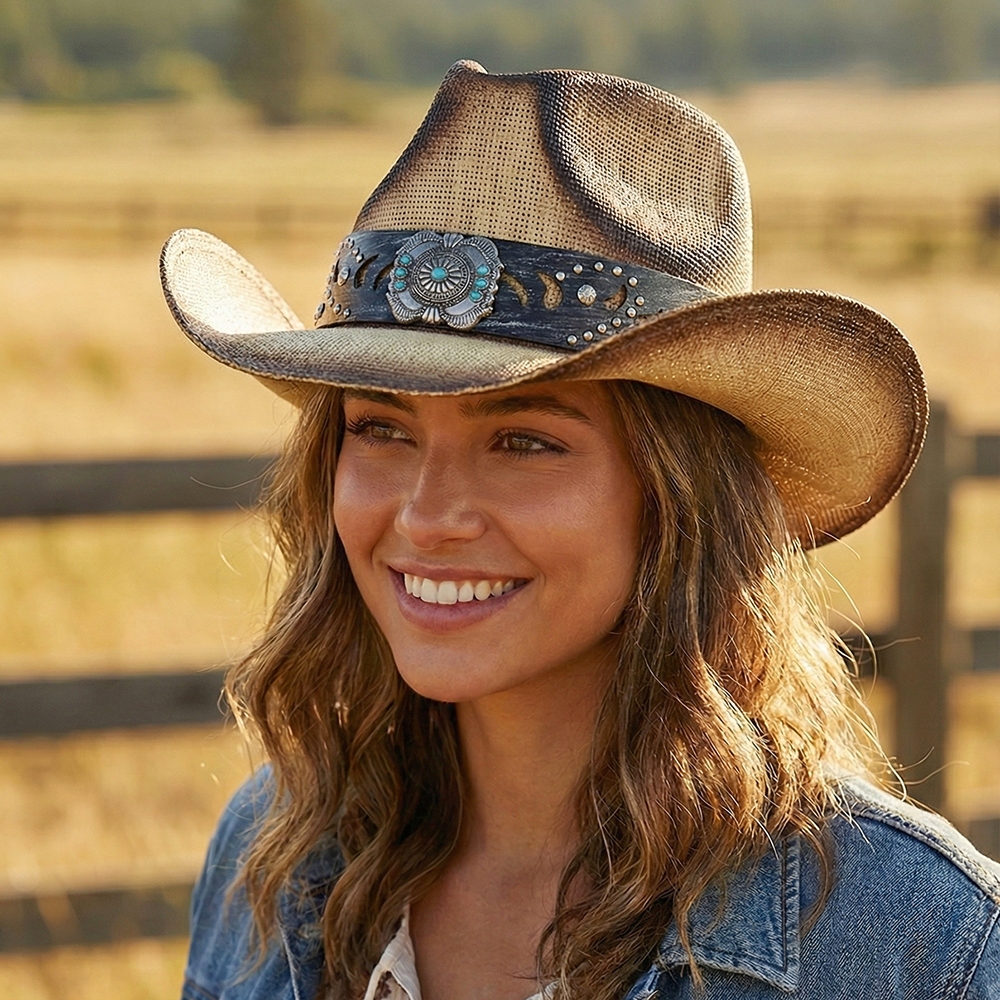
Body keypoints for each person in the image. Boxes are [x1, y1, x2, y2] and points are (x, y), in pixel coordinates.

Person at [162, 62, 999, 1000]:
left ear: (681, 499)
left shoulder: (917, 943)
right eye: (381, 430)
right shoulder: (274, 851)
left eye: (524, 441)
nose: (428, 516)